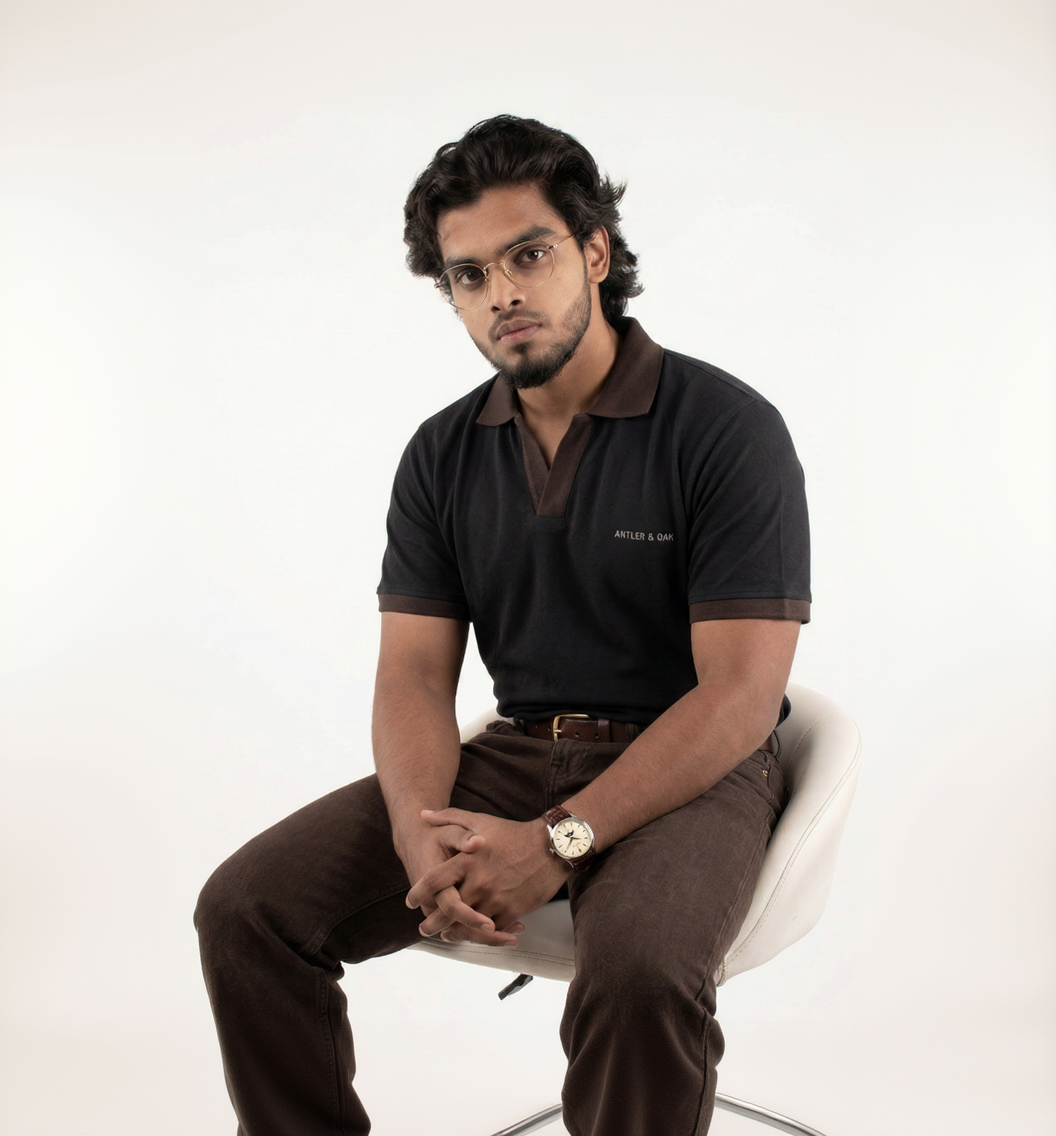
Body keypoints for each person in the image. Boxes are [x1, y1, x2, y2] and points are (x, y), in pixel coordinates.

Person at [196, 114, 811, 1136]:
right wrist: (416, 836)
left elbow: (739, 696)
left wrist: (558, 843)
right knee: (247, 910)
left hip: (693, 765)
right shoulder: (441, 454)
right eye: (469, 275)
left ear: (596, 253)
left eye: (528, 255)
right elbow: (412, 677)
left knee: (642, 971)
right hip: (518, 753)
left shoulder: (724, 428)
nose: (502, 295)